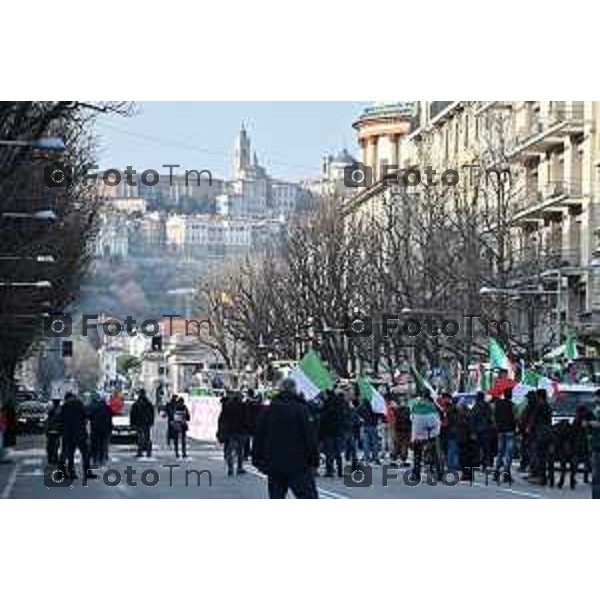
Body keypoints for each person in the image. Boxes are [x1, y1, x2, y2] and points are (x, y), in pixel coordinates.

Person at [252, 378, 319, 499]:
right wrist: (314, 460)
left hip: (274, 464)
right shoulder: (302, 410)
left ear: (280, 389)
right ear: (294, 390)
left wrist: (256, 459)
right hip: (299, 464)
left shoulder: (268, 410)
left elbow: (259, 436)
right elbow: (310, 437)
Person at [60, 392, 96, 480]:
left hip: (68, 434)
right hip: (80, 433)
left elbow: (60, 419)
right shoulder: (79, 404)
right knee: (85, 454)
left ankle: (71, 473)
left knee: (69, 455)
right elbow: (86, 415)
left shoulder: (64, 407)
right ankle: (87, 473)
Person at [319, 390, 349, 477]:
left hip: (328, 432)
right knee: (338, 452)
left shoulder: (327, 404)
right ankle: (340, 471)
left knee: (329, 452)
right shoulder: (340, 403)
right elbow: (343, 417)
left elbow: (323, 417)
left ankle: (330, 471)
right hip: (338, 431)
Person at [216, 391, 247, 475]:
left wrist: (220, 430)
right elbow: (246, 419)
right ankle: (239, 468)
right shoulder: (243, 406)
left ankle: (230, 468)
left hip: (230, 431)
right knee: (240, 450)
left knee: (229, 450)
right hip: (240, 431)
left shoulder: (227, 406)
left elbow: (221, 419)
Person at [528, 388, 553, 485]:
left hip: (540, 433)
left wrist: (529, 428)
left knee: (539, 455)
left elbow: (533, 420)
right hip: (547, 432)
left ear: (539, 396)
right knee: (545, 456)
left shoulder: (539, 406)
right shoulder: (548, 406)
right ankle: (544, 477)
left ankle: (541, 477)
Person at [493, 389, 516, 483]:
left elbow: (494, 417)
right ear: (510, 395)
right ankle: (506, 474)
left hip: (500, 431)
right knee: (508, 454)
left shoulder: (497, 405)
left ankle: (496, 472)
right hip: (510, 430)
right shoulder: (512, 405)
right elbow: (516, 417)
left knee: (500, 453)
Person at [471, 392, 493, 469]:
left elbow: (472, 419)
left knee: (477, 448)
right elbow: (490, 418)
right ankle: (485, 463)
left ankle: (477, 463)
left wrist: (473, 431)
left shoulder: (476, 406)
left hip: (478, 430)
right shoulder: (488, 406)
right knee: (486, 448)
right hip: (486, 430)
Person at [130, 389, 155, 458]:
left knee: (141, 437)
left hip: (140, 423)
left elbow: (133, 414)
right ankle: (147, 452)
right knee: (146, 437)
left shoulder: (138, 403)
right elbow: (152, 413)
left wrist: (132, 423)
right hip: (145, 422)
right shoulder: (148, 403)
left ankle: (141, 451)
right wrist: (151, 421)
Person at [90, 397, 112, 466]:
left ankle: (96, 459)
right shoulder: (108, 408)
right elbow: (110, 419)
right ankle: (103, 459)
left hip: (96, 429)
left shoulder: (95, 409)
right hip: (105, 429)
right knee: (104, 444)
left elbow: (91, 418)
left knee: (96, 445)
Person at [357, 398, 381, 464]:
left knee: (366, 442)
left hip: (365, 425)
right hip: (374, 425)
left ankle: (367, 457)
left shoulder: (362, 406)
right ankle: (375, 457)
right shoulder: (375, 406)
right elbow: (379, 414)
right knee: (375, 442)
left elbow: (357, 413)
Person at [393, 398, 412, 467]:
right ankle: (403, 459)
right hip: (406, 430)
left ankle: (394, 459)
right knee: (404, 445)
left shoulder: (397, 410)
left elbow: (395, 419)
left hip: (398, 429)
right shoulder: (408, 410)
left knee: (397, 444)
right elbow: (410, 419)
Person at [46, 398, 63, 464]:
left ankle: (51, 459)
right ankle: (54, 458)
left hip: (51, 430)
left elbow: (47, 421)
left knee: (51, 445)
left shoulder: (51, 410)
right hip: (57, 430)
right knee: (55, 445)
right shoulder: (60, 410)